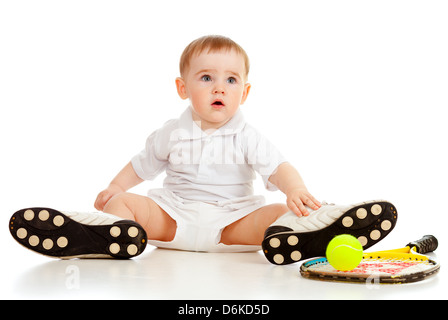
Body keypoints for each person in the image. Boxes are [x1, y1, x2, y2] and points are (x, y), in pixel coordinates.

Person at [9, 35, 397, 264]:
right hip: (172, 220)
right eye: (206, 77)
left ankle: (308, 233)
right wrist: (114, 188)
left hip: (233, 223)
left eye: (230, 80)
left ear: (244, 93)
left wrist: (295, 189)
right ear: (183, 88)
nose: (219, 88)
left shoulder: (248, 135)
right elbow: (140, 166)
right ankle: (108, 235)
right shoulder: (170, 132)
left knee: (277, 212)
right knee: (128, 202)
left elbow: (280, 168)